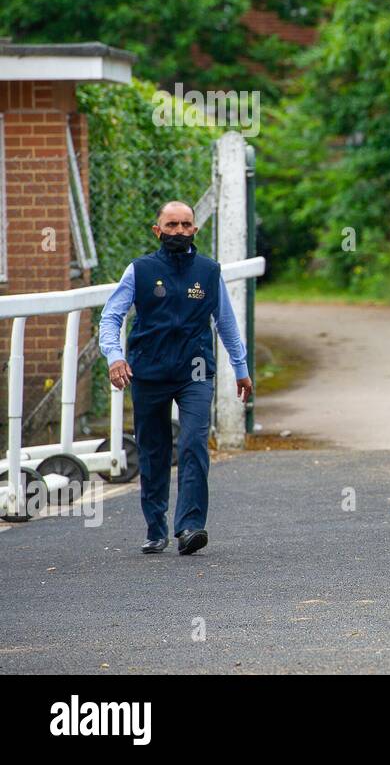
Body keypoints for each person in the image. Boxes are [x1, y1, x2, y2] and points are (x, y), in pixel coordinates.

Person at [99, 201, 253, 556]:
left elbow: (226, 323)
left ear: (195, 230)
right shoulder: (139, 270)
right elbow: (111, 317)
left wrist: (241, 368)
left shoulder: (209, 272)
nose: (179, 231)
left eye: (186, 225)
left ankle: (190, 526)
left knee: (193, 443)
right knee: (154, 452)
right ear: (158, 230)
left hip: (195, 373)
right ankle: (156, 527)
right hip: (148, 372)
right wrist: (115, 356)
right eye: (172, 225)